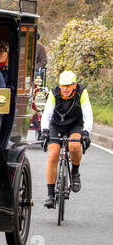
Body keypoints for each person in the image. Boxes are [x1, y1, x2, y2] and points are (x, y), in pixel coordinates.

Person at [41, 70, 93, 208]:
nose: (64, 89)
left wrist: (86, 132)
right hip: (56, 125)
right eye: (62, 86)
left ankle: (75, 172)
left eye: (68, 86)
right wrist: (45, 131)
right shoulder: (54, 92)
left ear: (74, 85)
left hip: (75, 125)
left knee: (75, 146)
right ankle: (50, 195)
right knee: (52, 156)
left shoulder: (82, 92)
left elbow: (88, 114)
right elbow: (47, 114)